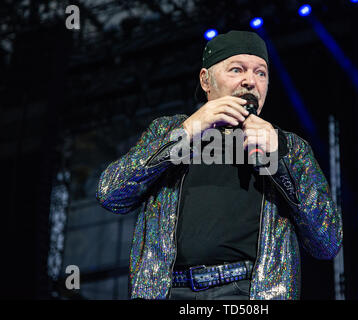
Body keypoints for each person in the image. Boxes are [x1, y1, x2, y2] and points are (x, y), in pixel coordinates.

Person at [96, 30, 343, 300]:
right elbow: (111, 193)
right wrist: (188, 129)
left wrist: (280, 158)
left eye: (261, 73)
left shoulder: (290, 147)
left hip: (249, 292)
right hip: (169, 291)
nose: (250, 81)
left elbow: (327, 241)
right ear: (206, 80)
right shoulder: (169, 130)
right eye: (237, 70)